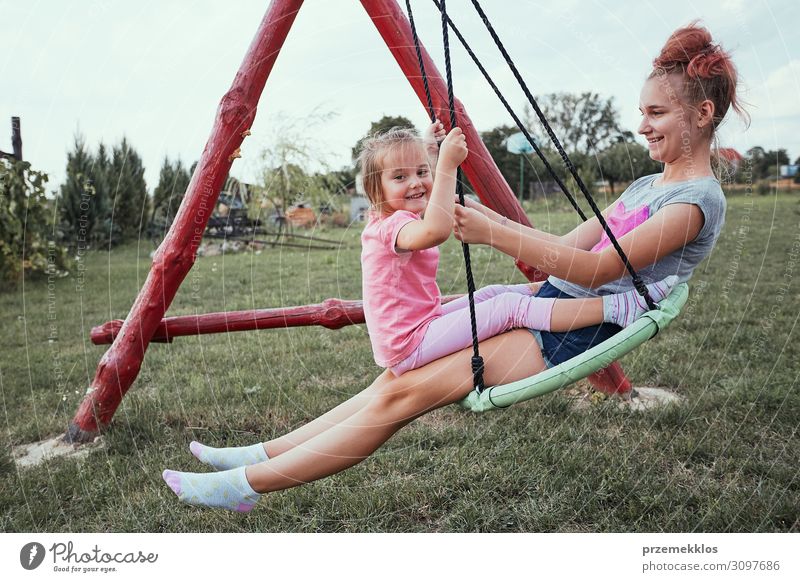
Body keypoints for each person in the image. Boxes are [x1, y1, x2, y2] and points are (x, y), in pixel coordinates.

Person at [162, 22, 747, 512]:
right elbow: (570, 242)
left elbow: (598, 271)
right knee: (390, 381)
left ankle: (244, 488)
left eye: (657, 114)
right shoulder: (650, 183)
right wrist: (487, 219)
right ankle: (264, 454)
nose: (642, 125)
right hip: (550, 305)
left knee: (400, 397)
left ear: (701, 112)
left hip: (579, 327)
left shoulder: (694, 203)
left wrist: (492, 230)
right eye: (642, 111)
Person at [356, 124, 674, 377]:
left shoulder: (395, 216)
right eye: (400, 177)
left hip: (419, 325)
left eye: (421, 173)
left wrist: (431, 151)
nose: (415, 183)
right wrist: (448, 166)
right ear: (376, 189)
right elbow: (436, 230)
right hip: (408, 344)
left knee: (492, 293)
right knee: (508, 307)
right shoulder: (390, 228)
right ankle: (618, 308)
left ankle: (543, 291)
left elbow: (431, 202)